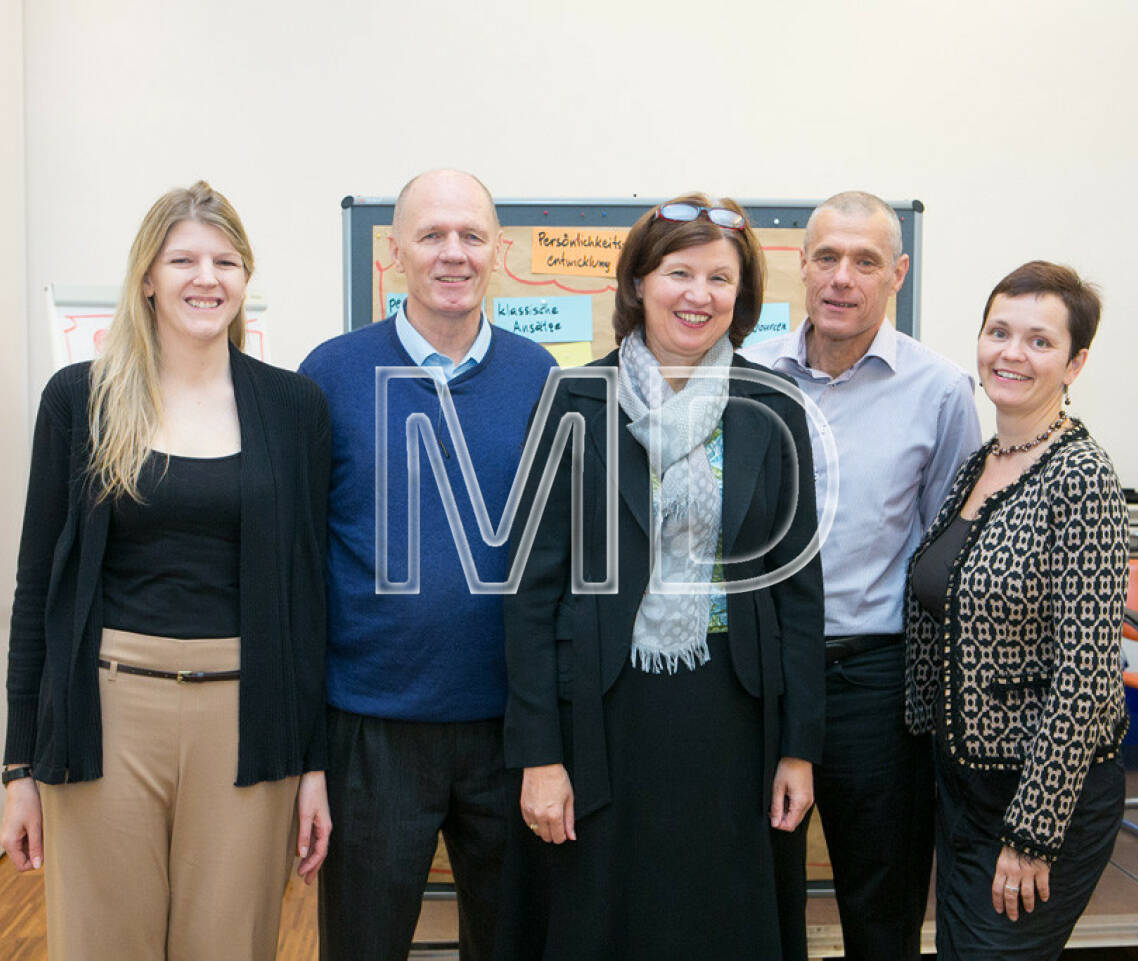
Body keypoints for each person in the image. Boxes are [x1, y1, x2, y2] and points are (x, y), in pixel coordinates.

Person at [0, 180, 332, 961]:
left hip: (248, 722)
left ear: (246, 278)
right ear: (146, 275)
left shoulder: (293, 409)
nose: (204, 277)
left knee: (229, 946)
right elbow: (34, 590)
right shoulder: (79, 401)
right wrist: (19, 765)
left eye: (225, 260)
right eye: (182, 258)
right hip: (106, 716)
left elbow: (308, 599)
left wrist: (312, 763)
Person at [497, 195, 825, 961]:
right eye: (679, 271)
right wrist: (539, 755)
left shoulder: (773, 404)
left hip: (736, 717)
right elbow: (530, 594)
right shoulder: (573, 399)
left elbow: (799, 591)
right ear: (639, 281)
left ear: (741, 298)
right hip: (605, 717)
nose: (699, 294)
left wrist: (800, 749)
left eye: (720, 277)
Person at [299, 168, 557, 961]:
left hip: (506, 731)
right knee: (364, 945)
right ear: (395, 252)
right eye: (433, 235)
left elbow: (557, 563)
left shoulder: (539, 376)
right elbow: (301, 569)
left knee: (513, 944)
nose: (454, 253)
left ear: (498, 251)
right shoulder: (330, 375)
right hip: (371, 729)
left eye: (472, 236)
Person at [742, 190, 980, 958]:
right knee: (757, 901)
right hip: (760, 682)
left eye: (866, 261)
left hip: (874, 687)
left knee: (882, 909)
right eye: (828, 257)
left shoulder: (940, 391)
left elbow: (949, 551)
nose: (843, 277)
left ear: (897, 273)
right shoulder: (745, 378)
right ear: (800, 266)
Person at [905, 260, 1129, 960]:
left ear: (1075, 361)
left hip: (1041, 799)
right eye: (998, 331)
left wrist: (1033, 833)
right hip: (966, 789)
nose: (1011, 352)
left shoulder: (1082, 476)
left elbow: (1087, 676)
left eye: (1039, 340)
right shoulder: (983, 462)